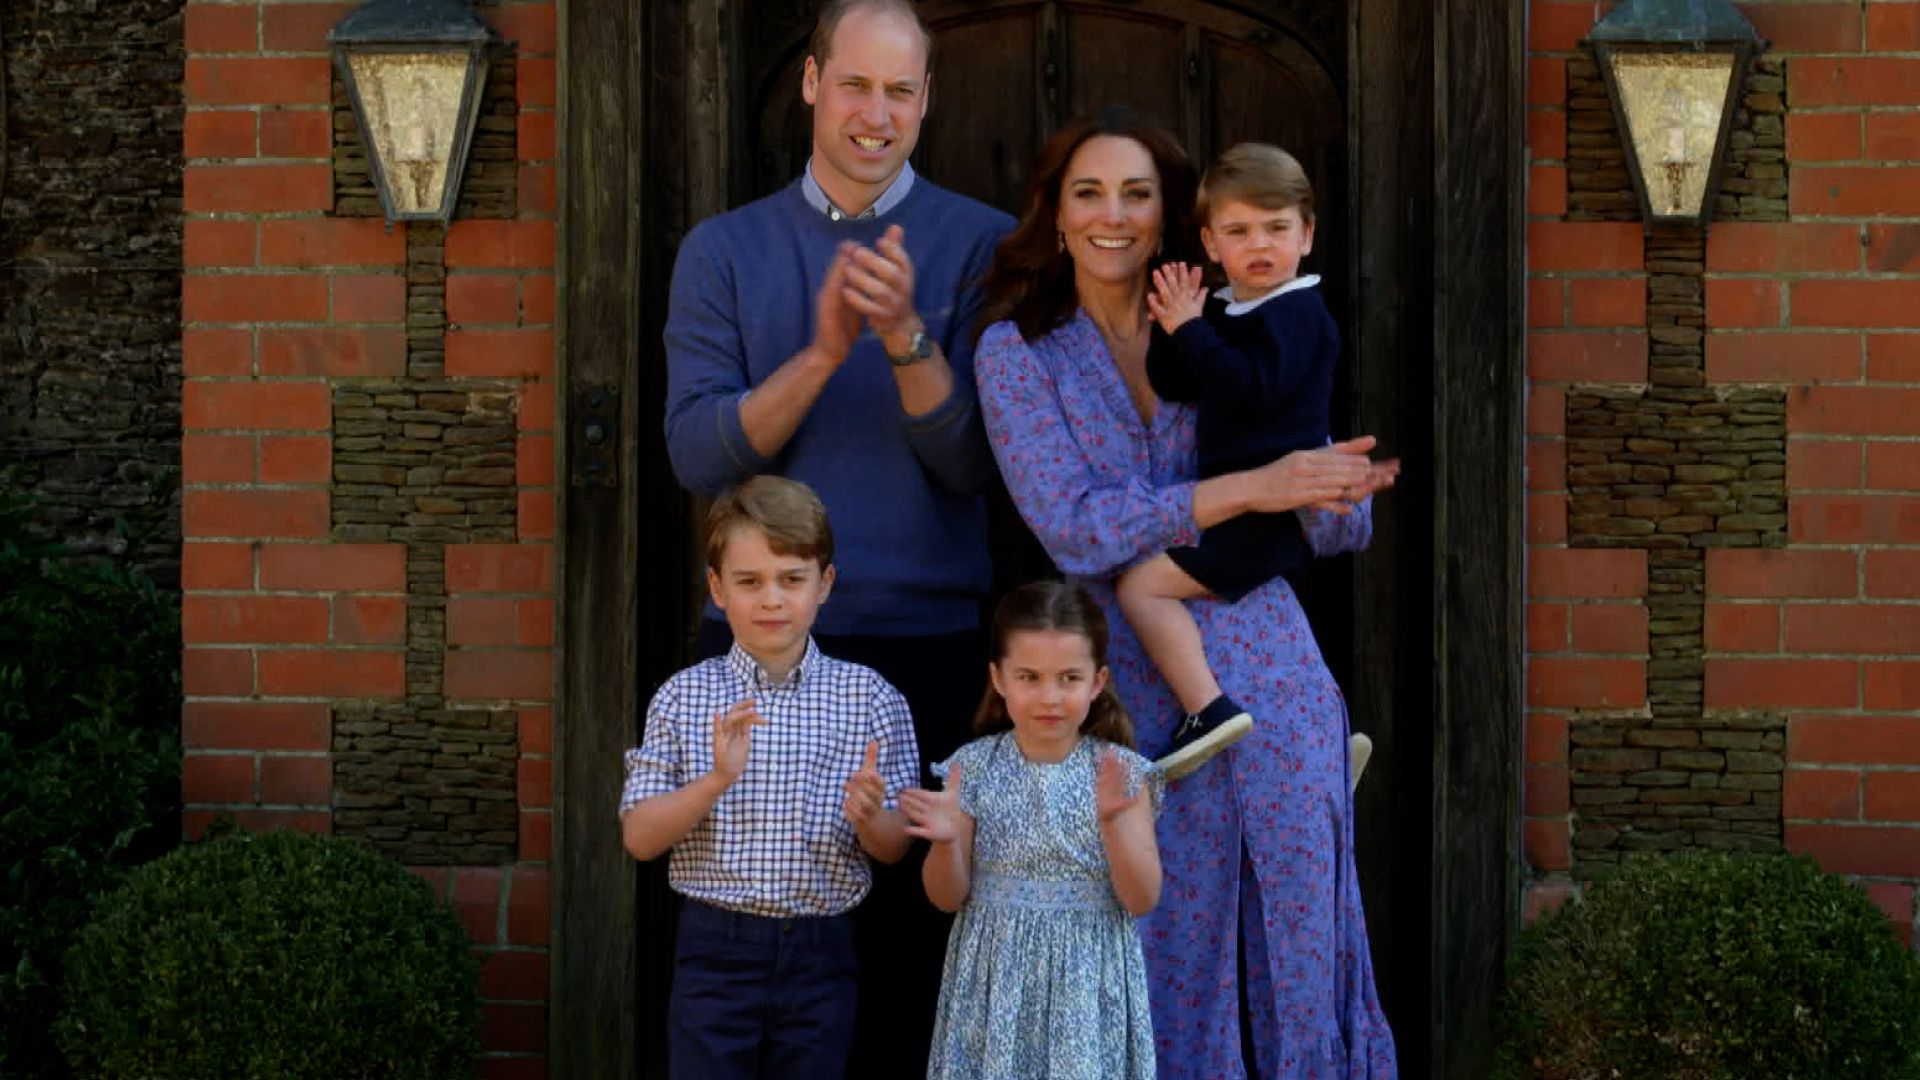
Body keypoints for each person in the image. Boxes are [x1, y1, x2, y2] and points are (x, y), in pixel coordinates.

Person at [972, 110, 1400, 1078]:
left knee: (1300, 928)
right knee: (1160, 933)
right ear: (1058, 213)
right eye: (1089, 193)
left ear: (1172, 221)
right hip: (1129, 687)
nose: (1113, 215)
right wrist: (1252, 489)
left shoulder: (1241, 320)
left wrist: (1336, 492)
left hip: (1275, 668)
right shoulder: (1018, 352)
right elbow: (1071, 526)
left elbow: (1326, 520)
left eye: (1136, 194)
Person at [659, 0, 1014, 1070]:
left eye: (899, 90)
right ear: (811, 84)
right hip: (766, 656)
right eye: (853, 84)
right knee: (770, 968)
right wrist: (819, 353)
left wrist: (906, 336)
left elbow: (974, 469)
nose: (875, 112)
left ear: (926, 101)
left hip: (933, 649)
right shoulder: (724, 250)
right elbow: (697, 456)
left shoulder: (982, 245)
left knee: (915, 963)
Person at [618, 476, 919, 1080]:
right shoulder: (684, 696)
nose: (772, 600)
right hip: (714, 950)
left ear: (824, 584)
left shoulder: (870, 699)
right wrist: (714, 781)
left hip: (821, 951)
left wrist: (869, 817)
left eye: (791, 579)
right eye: (749, 581)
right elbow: (640, 839)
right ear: (716, 588)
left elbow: (894, 849)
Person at [1117, 142, 1341, 780]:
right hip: (1238, 509)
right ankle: (1311, 746)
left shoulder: (1300, 313)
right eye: (1239, 231)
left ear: (1307, 235)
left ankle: (1206, 710)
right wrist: (1173, 323)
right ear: (1212, 245)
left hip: (1267, 518)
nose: (1260, 245)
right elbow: (1178, 381)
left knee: (1141, 586)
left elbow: (1250, 388)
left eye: (1277, 228)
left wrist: (1193, 330)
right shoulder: (1229, 309)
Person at [902, 581, 1161, 1080]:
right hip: (995, 982)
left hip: (1087, 983)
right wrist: (946, 842)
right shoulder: (971, 769)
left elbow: (1142, 897)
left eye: (1069, 678)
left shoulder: (1122, 773)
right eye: (1029, 677)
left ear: (1097, 680)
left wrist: (1113, 822)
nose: (1049, 697)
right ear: (998, 678)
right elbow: (946, 897)